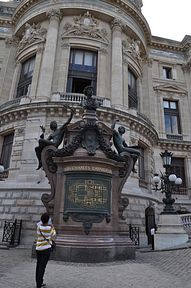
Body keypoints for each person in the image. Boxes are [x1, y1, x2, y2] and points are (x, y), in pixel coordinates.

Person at [36, 212, 56, 288]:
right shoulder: (50, 228)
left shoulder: (38, 227)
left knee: (38, 266)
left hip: (38, 248)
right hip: (46, 249)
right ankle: (39, 284)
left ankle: (39, 282)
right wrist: (52, 226)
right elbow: (54, 236)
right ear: (48, 220)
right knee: (42, 267)